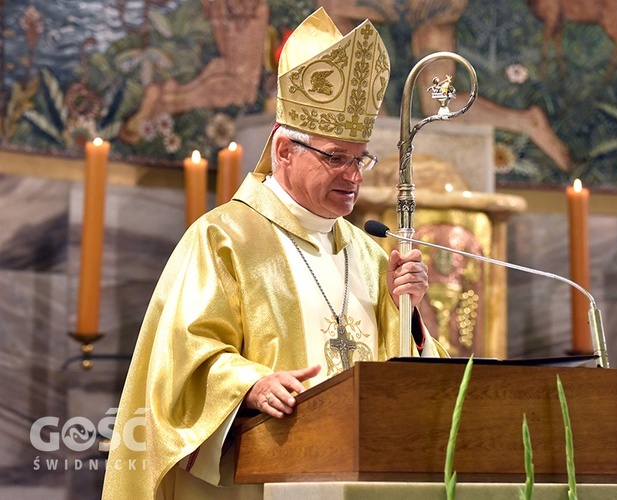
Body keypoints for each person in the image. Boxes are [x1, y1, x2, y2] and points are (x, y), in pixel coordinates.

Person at [102, 8, 446, 500]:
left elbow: (406, 384)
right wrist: (249, 385)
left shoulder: (370, 256)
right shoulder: (223, 238)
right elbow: (179, 361)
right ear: (284, 151)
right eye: (335, 157)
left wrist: (408, 314)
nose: (354, 176)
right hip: (261, 478)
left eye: (361, 158)